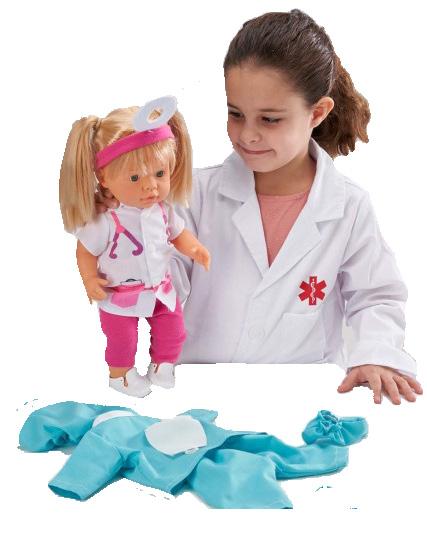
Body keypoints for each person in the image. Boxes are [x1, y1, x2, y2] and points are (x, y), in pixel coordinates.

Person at [99, 10, 422, 405]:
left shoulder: (348, 206)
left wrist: (376, 355)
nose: (247, 135)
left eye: (269, 119)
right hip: (200, 395)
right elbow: (164, 281)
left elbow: (375, 296)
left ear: (317, 113)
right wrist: (127, 221)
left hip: (300, 400)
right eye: (235, 114)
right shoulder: (193, 194)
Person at [59, 96, 210, 398]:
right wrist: (90, 279)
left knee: (174, 330)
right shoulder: (106, 220)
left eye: (159, 174)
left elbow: (178, 234)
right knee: (122, 341)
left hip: (160, 289)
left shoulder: (163, 210)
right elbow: (86, 250)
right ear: (104, 178)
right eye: (135, 177)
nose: (150, 186)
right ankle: (121, 376)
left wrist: (195, 249)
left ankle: (163, 363)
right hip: (119, 295)